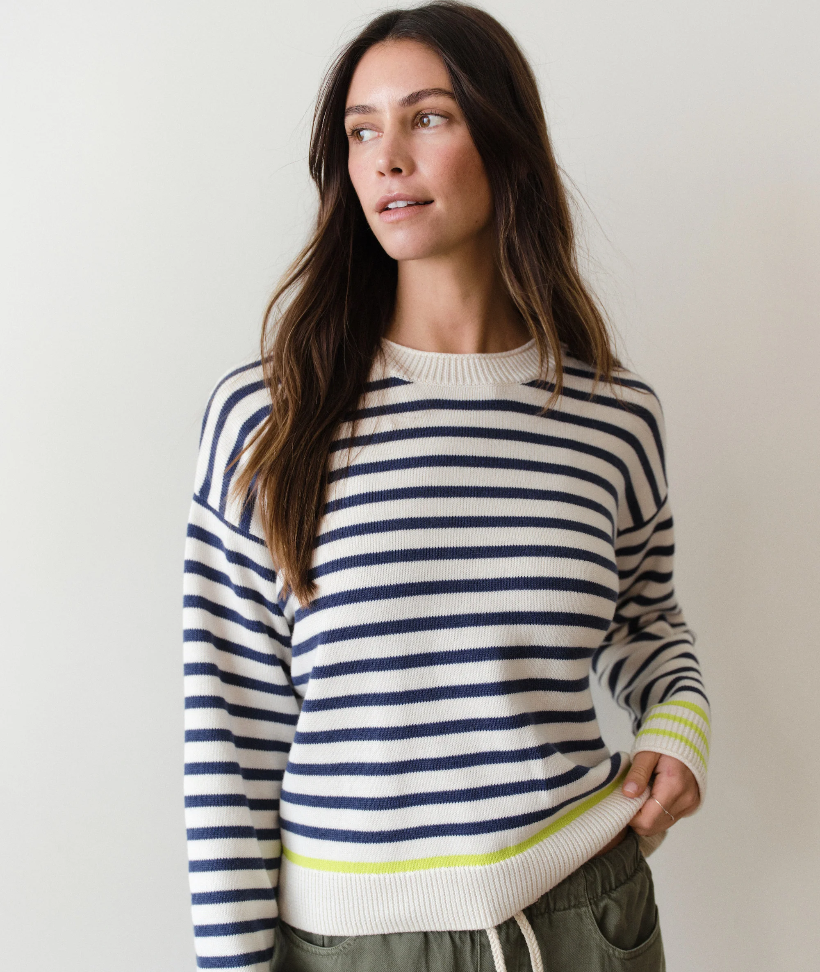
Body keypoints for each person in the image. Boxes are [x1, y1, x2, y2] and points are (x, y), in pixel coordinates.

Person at [181, 3, 710, 970]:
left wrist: (677, 729)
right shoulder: (268, 415)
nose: (387, 157)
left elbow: (647, 620)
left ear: (505, 143)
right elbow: (230, 732)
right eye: (361, 130)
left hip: (586, 913)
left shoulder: (613, 415)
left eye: (427, 118)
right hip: (357, 944)